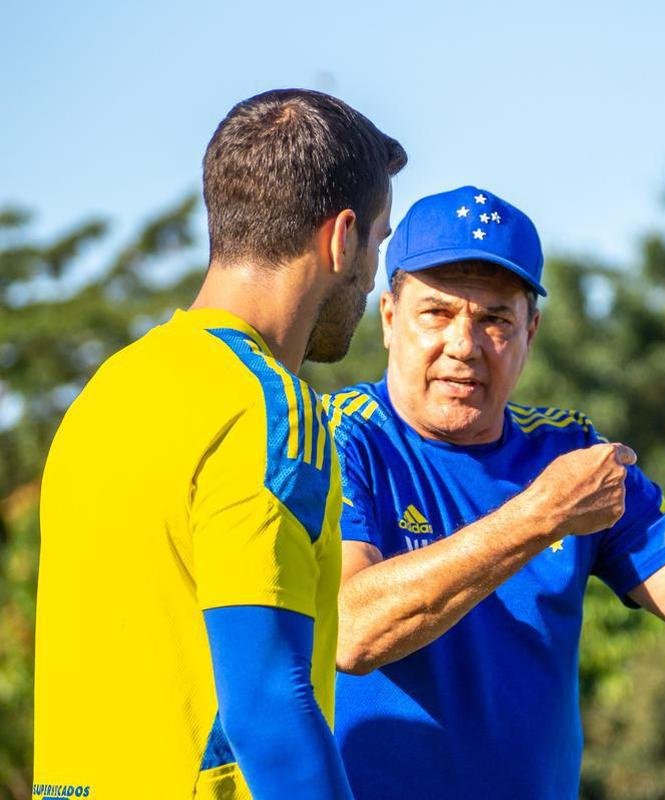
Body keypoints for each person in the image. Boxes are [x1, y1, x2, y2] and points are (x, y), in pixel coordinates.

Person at [328, 185, 665, 799]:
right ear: (390, 318)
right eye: (437, 313)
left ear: (531, 332)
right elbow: (350, 630)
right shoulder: (337, 436)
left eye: (496, 319)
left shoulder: (571, 453)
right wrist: (540, 515)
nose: (464, 345)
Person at [33, 89, 405, 800]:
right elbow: (268, 708)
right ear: (341, 238)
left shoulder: (110, 390)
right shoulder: (270, 410)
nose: (370, 278)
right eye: (378, 245)